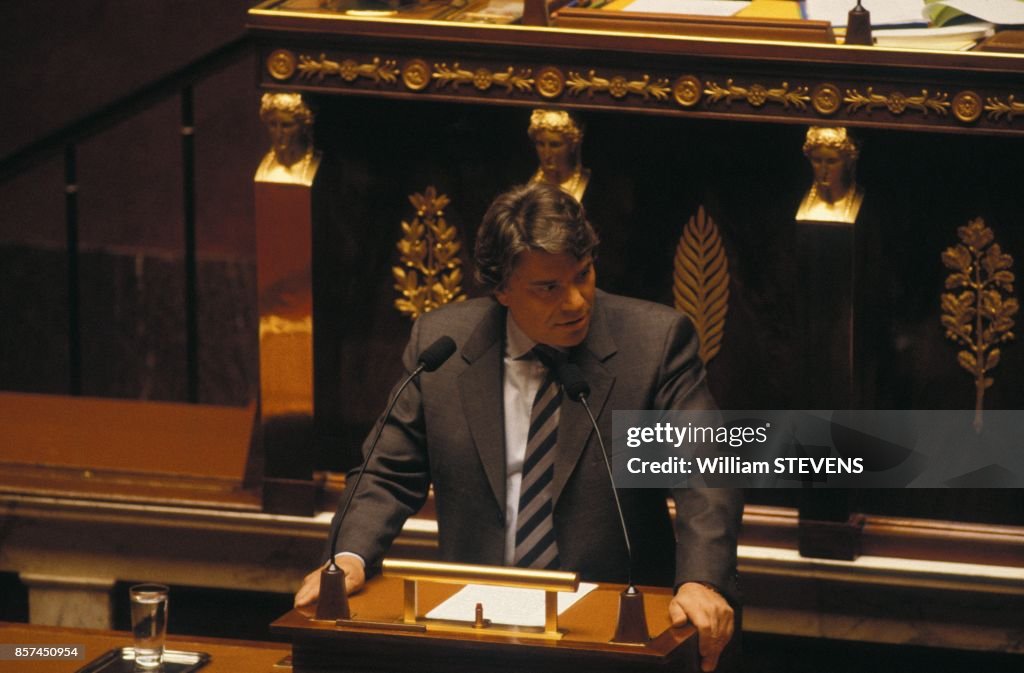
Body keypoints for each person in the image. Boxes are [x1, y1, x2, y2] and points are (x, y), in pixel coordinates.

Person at [295, 182, 742, 671]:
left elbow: (707, 472)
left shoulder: (654, 343)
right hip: (476, 629)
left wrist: (701, 580)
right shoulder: (443, 344)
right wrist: (351, 558)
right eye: (548, 288)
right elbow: (386, 471)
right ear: (501, 288)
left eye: (583, 275)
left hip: (608, 629)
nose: (575, 302)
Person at [795, 126, 864, 224]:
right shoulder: (799, 201)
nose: (824, 169)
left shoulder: (861, 202)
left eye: (831, 161)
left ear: (848, 162)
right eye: (817, 161)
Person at [255, 92, 321, 186]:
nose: (278, 134)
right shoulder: (264, 168)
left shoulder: (315, 163)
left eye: (286, 125)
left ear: (304, 126)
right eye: (273, 125)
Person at [528, 109, 591, 202]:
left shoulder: (586, 183)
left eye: (555, 145)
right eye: (540, 144)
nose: (547, 153)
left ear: (573, 145)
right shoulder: (532, 183)